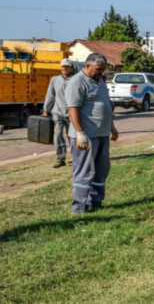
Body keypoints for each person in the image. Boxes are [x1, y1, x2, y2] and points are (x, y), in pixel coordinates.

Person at [65, 53, 118, 214]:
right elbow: (72, 108)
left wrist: (111, 127)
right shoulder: (77, 82)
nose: (102, 72)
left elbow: (105, 105)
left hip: (101, 134)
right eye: (99, 69)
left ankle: (95, 201)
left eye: (103, 69)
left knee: (102, 169)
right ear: (87, 66)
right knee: (84, 171)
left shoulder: (100, 81)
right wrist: (80, 132)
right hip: (86, 136)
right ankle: (79, 206)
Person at [43, 58, 75, 168]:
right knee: (58, 134)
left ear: (71, 68)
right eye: (63, 66)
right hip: (58, 112)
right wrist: (46, 109)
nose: (64, 68)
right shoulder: (55, 80)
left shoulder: (75, 80)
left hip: (72, 113)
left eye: (67, 66)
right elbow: (50, 95)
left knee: (72, 136)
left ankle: (76, 158)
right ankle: (60, 158)